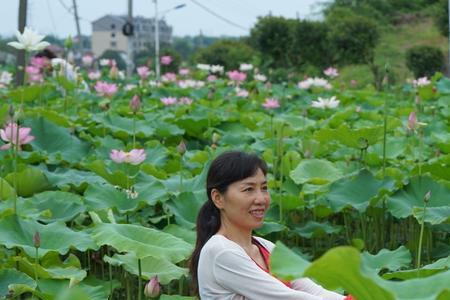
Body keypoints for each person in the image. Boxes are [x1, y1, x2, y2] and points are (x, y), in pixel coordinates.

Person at [190, 151, 353, 300]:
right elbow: (287, 298)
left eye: (264, 188)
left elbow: (313, 291)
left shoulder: (266, 247)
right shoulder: (221, 251)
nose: (261, 199)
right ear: (218, 198)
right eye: (248, 189)